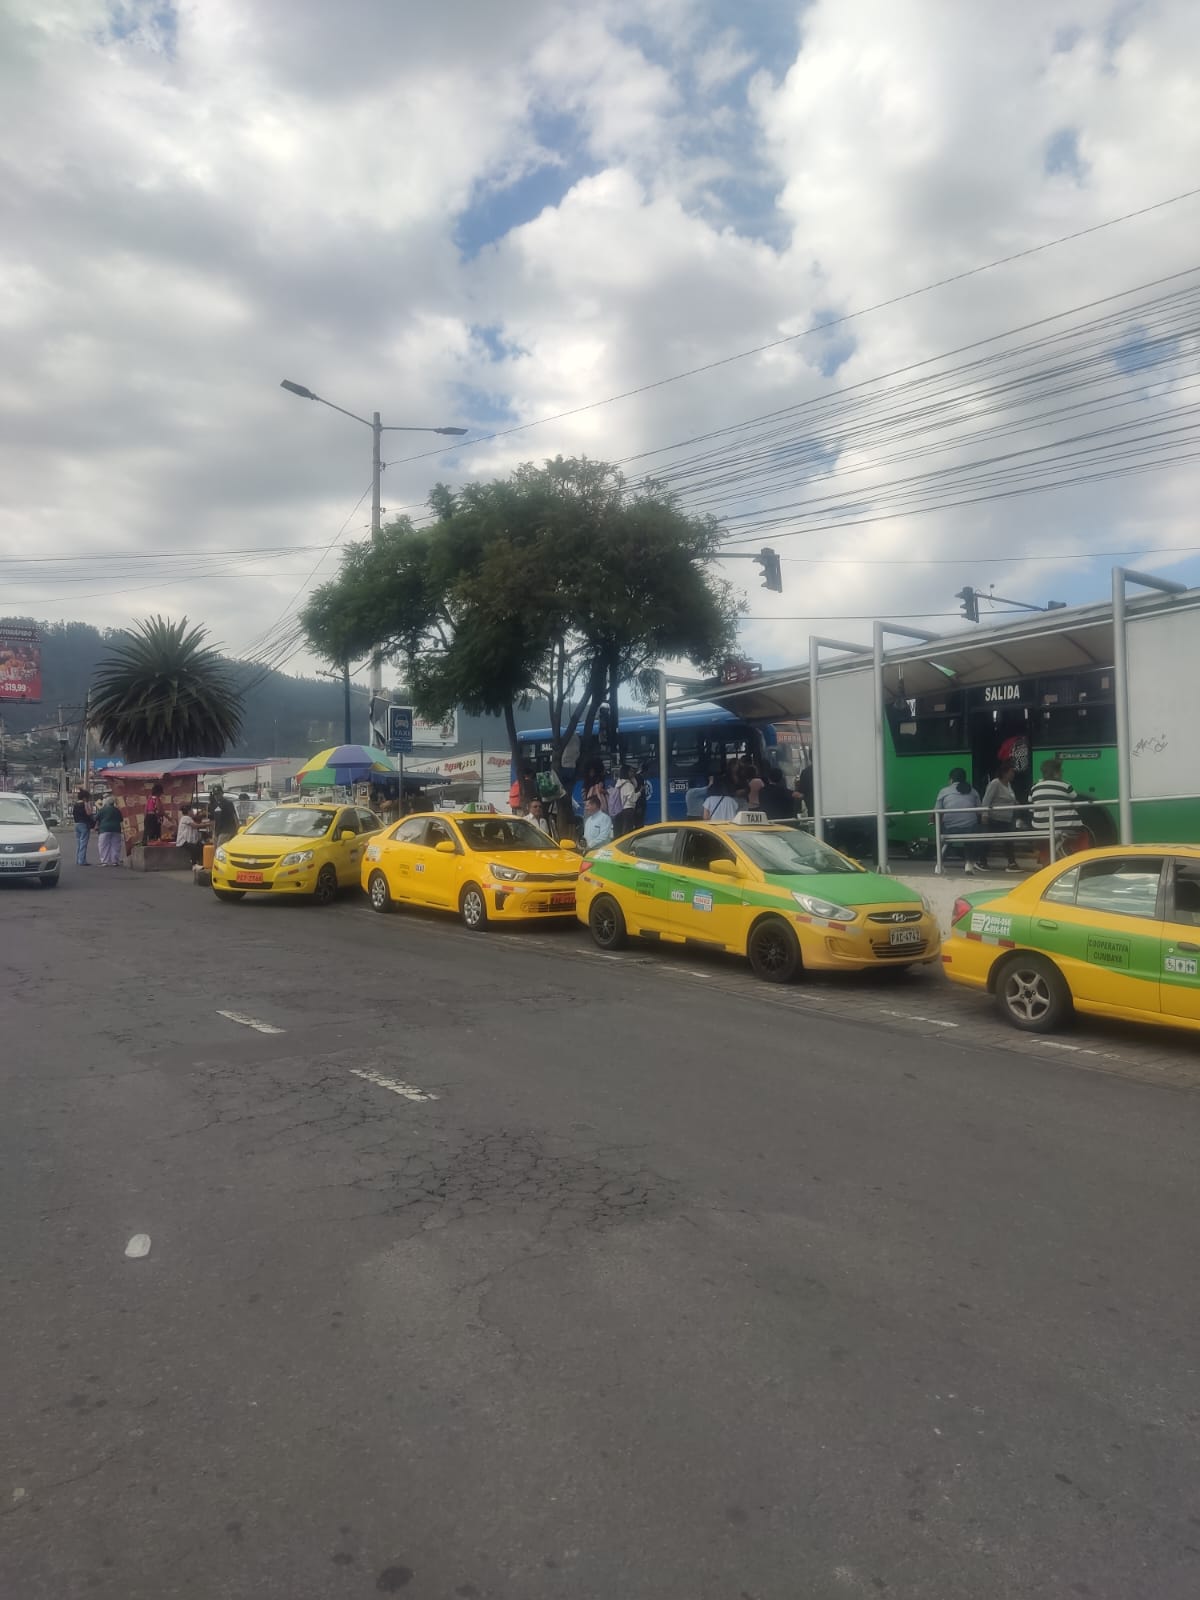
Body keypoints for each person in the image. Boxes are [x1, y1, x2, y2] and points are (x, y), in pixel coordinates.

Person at [934, 766, 983, 872]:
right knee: (970, 834)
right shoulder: (973, 791)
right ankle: (969, 864)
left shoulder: (944, 791)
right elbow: (980, 811)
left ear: (951, 779)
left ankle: (939, 863)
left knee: (945, 837)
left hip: (950, 828)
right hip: (970, 829)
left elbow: (936, 811)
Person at [1030, 758, 1083, 855]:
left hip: (1040, 827)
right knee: (1082, 832)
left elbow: (1031, 808)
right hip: (1066, 827)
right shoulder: (1065, 785)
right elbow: (1077, 803)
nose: (1062, 772)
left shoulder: (1034, 786)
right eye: (1061, 770)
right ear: (1056, 772)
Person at [980, 760, 1020, 871]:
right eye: (1011, 772)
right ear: (1004, 772)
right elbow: (986, 799)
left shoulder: (1009, 785)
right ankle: (981, 862)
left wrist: (1015, 802)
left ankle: (1011, 864)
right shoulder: (995, 783)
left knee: (1008, 841)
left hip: (1007, 819)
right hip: (995, 818)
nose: (1013, 774)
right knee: (989, 841)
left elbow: (1008, 799)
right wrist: (984, 814)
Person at [95, 795, 124, 867]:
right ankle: (115, 861)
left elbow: (96, 818)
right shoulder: (117, 810)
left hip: (104, 829)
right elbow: (121, 819)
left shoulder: (103, 809)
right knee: (115, 845)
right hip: (116, 829)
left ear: (106, 803)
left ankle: (104, 861)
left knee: (103, 845)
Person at [613, 765, 638, 837]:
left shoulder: (618, 783)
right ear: (626, 772)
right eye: (631, 771)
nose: (632, 773)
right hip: (628, 810)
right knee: (627, 832)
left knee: (619, 831)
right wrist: (639, 793)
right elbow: (633, 799)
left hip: (619, 810)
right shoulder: (629, 785)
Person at [72, 789, 94, 866]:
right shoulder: (85, 804)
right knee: (83, 843)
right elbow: (89, 813)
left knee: (79, 843)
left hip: (76, 824)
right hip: (84, 824)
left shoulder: (75, 805)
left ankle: (78, 859)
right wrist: (89, 806)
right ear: (84, 798)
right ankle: (82, 861)